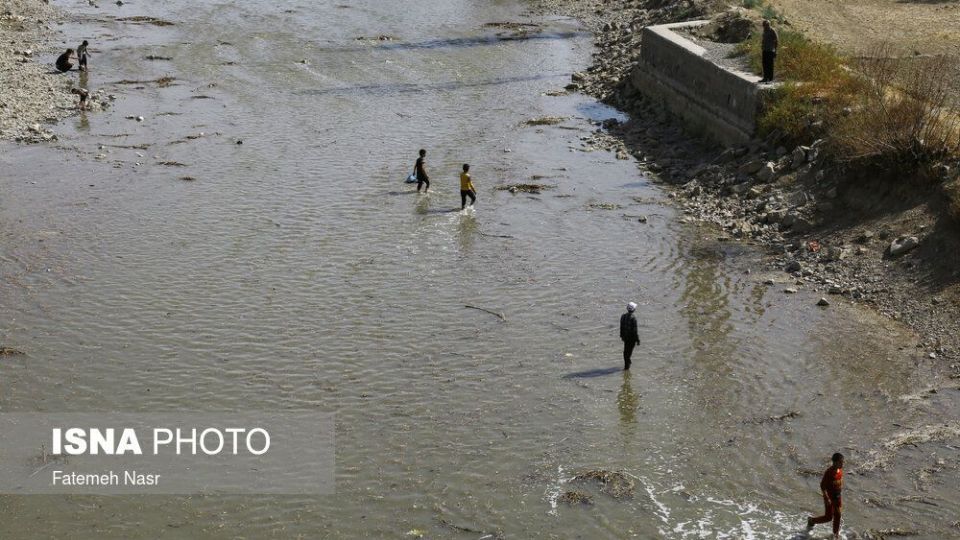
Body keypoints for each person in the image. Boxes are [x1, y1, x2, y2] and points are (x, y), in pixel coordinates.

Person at [807, 452, 844, 539]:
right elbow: (822, 486)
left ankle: (835, 535)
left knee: (838, 515)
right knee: (828, 518)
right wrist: (826, 498)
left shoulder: (840, 471)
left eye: (842, 462)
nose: (842, 464)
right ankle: (812, 520)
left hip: (838, 497)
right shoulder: (829, 472)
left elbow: (839, 484)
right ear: (834, 462)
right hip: (829, 498)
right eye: (840, 462)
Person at [619, 302, 640, 370]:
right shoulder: (633, 318)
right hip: (631, 339)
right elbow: (635, 331)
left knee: (625, 351)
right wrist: (637, 340)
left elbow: (621, 327)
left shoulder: (623, 316)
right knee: (629, 352)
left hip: (625, 337)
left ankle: (627, 363)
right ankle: (627, 367)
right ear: (633, 310)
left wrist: (621, 336)